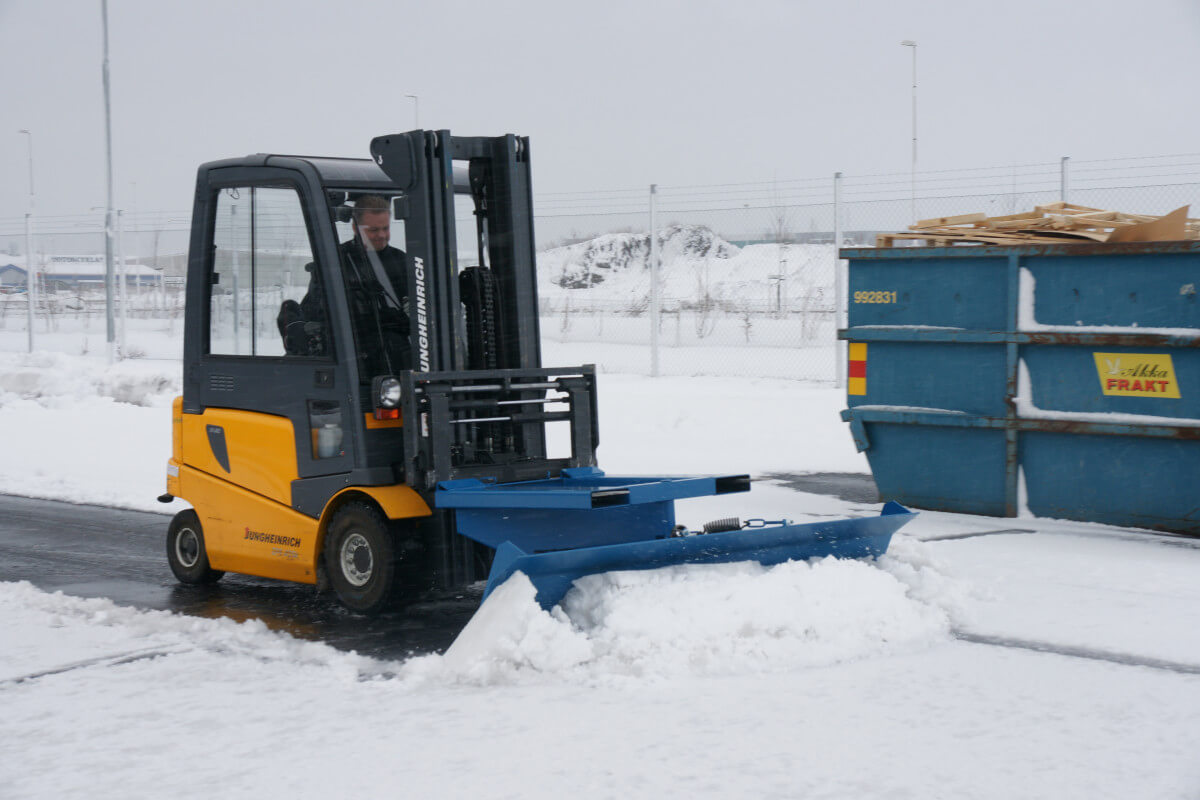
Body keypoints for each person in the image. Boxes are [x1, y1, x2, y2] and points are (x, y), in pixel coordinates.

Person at [279, 195, 411, 375]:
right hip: (356, 364)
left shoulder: (402, 261)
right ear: (355, 227)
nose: (381, 235)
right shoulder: (336, 262)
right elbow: (318, 313)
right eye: (373, 230)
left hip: (400, 361)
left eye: (385, 228)